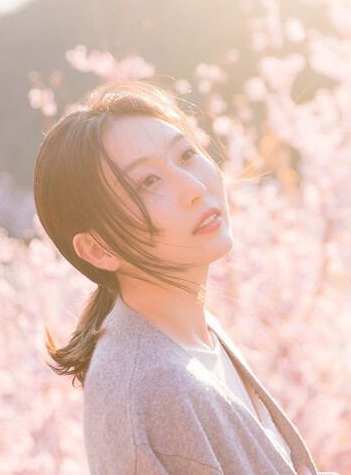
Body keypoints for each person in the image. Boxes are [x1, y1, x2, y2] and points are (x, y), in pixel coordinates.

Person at [33, 78, 322, 474]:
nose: (194, 187)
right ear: (99, 249)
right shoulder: (153, 390)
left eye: (186, 154)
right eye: (148, 182)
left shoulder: (188, 335)